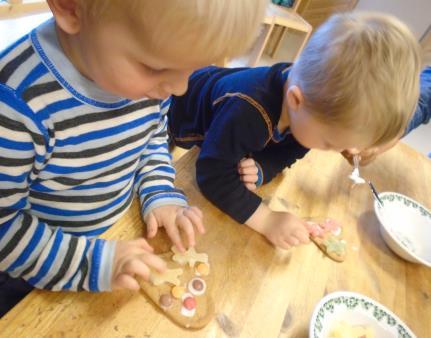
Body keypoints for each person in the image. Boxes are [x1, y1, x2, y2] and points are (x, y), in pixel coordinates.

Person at [0, 0, 268, 325]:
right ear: (70, 7)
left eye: (191, 70)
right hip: (32, 270)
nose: (177, 89)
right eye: (155, 66)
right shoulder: (11, 107)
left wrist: (159, 191)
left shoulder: (149, 87)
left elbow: (151, 139)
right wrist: (93, 264)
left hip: (119, 240)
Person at [167, 12, 422, 250]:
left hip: (220, 126)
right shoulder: (250, 111)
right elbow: (212, 174)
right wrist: (266, 220)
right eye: (328, 143)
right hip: (170, 112)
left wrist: (263, 167)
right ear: (296, 100)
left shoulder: (309, 102)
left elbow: (290, 150)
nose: (335, 151)